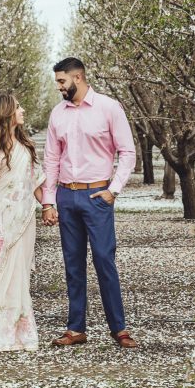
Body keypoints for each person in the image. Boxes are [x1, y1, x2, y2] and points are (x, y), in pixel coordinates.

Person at [41, 57, 138, 348]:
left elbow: (127, 152)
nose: (59, 86)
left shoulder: (109, 108)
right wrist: (48, 201)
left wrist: (114, 190)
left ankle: (118, 328)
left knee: (104, 260)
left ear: (78, 78)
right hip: (66, 195)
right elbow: (51, 158)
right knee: (73, 264)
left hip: (97, 196)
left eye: (62, 81)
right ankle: (75, 328)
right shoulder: (57, 114)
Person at [0, 93, 44, 352]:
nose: (23, 110)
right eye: (18, 107)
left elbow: (35, 182)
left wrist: (48, 206)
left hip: (23, 218)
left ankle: (20, 334)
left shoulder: (26, 145)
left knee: (19, 275)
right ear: (7, 113)